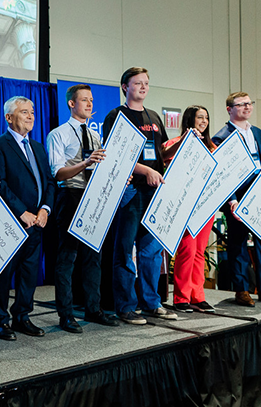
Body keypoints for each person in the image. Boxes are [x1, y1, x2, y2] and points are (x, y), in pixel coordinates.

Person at [103, 67, 178, 324]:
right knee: (125, 251)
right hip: (130, 191)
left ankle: (151, 303)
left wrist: (183, 146)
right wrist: (145, 170)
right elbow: (115, 155)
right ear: (125, 87)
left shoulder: (154, 116)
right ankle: (125, 306)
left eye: (146, 83)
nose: (144, 87)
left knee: (151, 251)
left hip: (154, 192)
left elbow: (162, 153)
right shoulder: (116, 116)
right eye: (138, 83)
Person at [46, 84, 118, 333]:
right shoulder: (59, 134)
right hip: (70, 195)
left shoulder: (95, 135)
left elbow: (99, 168)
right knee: (67, 258)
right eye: (84, 100)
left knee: (93, 257)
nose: (89, 104)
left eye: (91, 100)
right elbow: (57, 173)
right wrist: (86, 161)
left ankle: (93, 308)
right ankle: (65, 315)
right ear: (71, 104)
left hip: (93, 197)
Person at [0, 96, 55, 341]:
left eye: (32, 112)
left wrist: (45, 209)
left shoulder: (37, 147)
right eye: (24, 112)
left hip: (37, 222)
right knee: (4, 276)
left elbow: (48, 181)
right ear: (8, 117)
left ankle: (22, 316)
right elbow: (0, 183)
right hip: (11, 223)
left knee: (29, 273)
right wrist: (21, 212)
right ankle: (1, 321)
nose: (30, 116)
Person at [162, 106, 217, 313]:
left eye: (206, 117)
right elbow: (166, 165)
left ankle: (197, 296)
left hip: (206, 207)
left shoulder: (212, 146)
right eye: (199, 117)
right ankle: (181, 298)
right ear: (189, 120)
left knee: (200, 253)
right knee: (187, 250)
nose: (203, 121)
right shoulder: (174, 144)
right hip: (184, 205)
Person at [212, 92, 261, 307]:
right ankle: (241, 290)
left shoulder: (258, 133)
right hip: (238, 198)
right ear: (229, 109)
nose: (246, 107)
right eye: (241, 105)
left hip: (259, 194)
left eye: (249, 104)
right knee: (238, 243)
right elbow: (221, 174)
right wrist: (231, 200)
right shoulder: (221, 137)